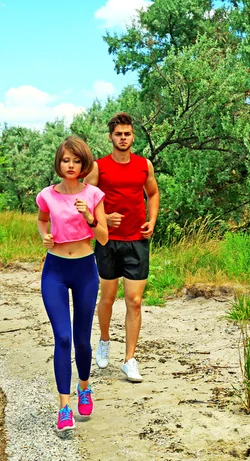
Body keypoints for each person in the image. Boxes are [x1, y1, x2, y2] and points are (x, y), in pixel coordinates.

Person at [36, 136, 109, 432]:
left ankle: (84, 387)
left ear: (83, 164)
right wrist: (44, 235)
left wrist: (89, 216)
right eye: (66, 160)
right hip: (54, 269)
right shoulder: (47, 195)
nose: (70, 165)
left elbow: (103, 237)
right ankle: (64, 407)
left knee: (81, 339)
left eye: (76, 161)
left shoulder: (94, 194)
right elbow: (42, 220)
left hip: (84, 269)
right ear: (59, 162)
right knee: (62, 338)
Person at [84, 112, 159, 383]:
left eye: (127, 134)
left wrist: (152, 220)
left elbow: (152, 193)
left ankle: (129, 360)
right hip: (107, 241)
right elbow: (84, 199)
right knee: (107, 297)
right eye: (119, 134)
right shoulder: (98, 167)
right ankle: (104, 340)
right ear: (111, 137)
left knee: (135, 302)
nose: (123, 138)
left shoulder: (143, 165)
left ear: (133, 136)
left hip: (137, 241)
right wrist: (104, 219)